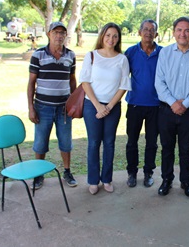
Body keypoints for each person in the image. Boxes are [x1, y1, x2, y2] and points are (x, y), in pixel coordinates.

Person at [155, 16, 189, 197]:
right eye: (179, 30)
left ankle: (186, 182)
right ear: (174, 32)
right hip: (166, 109)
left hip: (188, 111)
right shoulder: (165, 53)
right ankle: (166, 180)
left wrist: (183, 104)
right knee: (167, 147)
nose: (182, 34)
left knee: (185, 148)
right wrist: (173, 103)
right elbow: (159, 82)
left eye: (186, 30)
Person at [79, 23, 131, 195]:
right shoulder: (92, 56)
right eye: (108, 35)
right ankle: (93, 181)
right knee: (94, 143)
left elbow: (123, 85)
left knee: (109, 143)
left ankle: (107, 179)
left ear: (118, 39)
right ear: (102, 36)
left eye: (115, 36)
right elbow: (85, 82)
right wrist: (98, 106)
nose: (111, 39)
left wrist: (108, 106)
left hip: (112, 107)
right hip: (92, 105)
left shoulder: (122, 59)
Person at [27, 21, 78, 189]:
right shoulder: (38, 55)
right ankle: (38, 174)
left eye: (62, 33)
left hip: (64, 109)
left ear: (65, 36)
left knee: (66, 141)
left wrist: (73, 103)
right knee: (40, 142)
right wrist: (31, 108)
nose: (59, 36)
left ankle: (67, 172)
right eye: (56, 32)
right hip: (43, 107)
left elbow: (72, 80)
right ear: (49, 34)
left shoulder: (70, 55)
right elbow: (31, 83)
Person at [124, 19, 162, 188]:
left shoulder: (163, 53)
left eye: (151, 30)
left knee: (152, 142)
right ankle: (132, 173)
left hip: (156, 106)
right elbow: (121, 75)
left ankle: (148, 173)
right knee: (132, 141)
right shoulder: (130, 52)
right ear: (139, 32)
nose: (148, 33)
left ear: (156, 34)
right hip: (135, 104)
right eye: (145, 29)